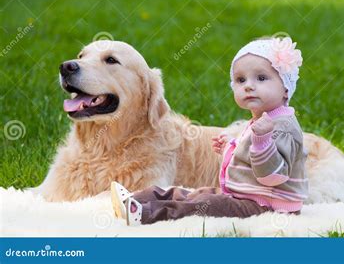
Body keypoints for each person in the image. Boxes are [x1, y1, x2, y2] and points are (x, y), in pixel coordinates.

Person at [111, 36, 308, 226]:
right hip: (247, 196)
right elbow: (250, 161)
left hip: (267, 206)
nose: (249, 86)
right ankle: (137, 199)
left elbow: (273, 176)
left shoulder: (282, 127)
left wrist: (262, 140)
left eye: (261, 78)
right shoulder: (264, 119)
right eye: (240, 80)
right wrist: (230, 148)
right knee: (192, 194)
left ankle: (145, 213)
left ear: (286, 88)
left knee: (202, 206)